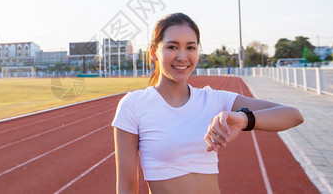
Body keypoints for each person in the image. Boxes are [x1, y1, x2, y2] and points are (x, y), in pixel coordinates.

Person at [112, 12, 304, 194]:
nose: (182, 56)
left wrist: (243, 119)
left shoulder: (214, 100)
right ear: (154, 51)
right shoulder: (133, 105)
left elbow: (293, 115)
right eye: (172, 47)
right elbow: (127, 188)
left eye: (190, 47)